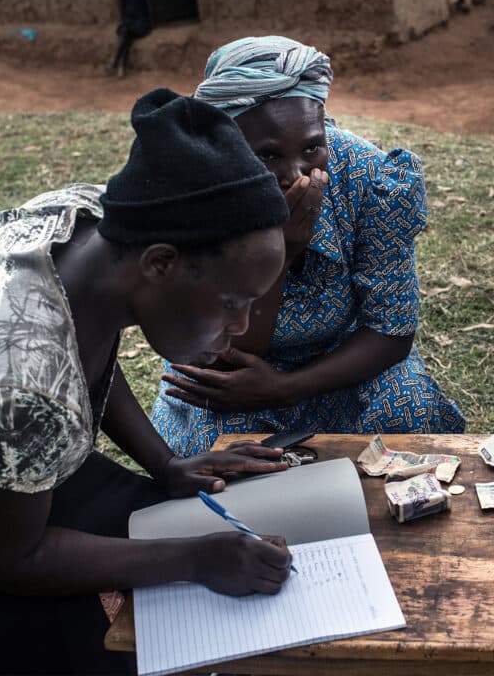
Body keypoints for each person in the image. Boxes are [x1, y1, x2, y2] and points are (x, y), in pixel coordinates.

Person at [0, 88, 298, 674]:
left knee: (148, 513)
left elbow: (82, 352)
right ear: (160, 264)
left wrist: (163, 462)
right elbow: (6, 559)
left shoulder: (89, 222)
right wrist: (197, 561)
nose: (242, 326)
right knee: (102, 644)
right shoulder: (26, 387)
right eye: (231, 302)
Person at [150, 36, 465, 456]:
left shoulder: (370, 178)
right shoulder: (200, 193)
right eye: (267, 156)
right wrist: (279, 250)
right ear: (226, 146)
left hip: (343, 367)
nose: (296, 175)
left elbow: (392, 332)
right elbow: (225, 356)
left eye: (312, 148)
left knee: (409, 412)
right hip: (237, 375)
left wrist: (285, 388)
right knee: (227, 453)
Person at [109, 0, 152, 78]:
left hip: (141, 24)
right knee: (126, 35)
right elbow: (123, 10)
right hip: (129, 23)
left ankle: (116, 62)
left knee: (125, 34)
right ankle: (120, 65)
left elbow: (148, 9)